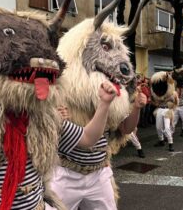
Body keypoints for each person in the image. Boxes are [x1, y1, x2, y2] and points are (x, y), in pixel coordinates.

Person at [51, 82, 147, 210]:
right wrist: (55, 116)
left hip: (99, 173)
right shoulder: (66, 92)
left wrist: (136, 108)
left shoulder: (110, 93)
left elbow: (126, 128)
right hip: (66, 172)